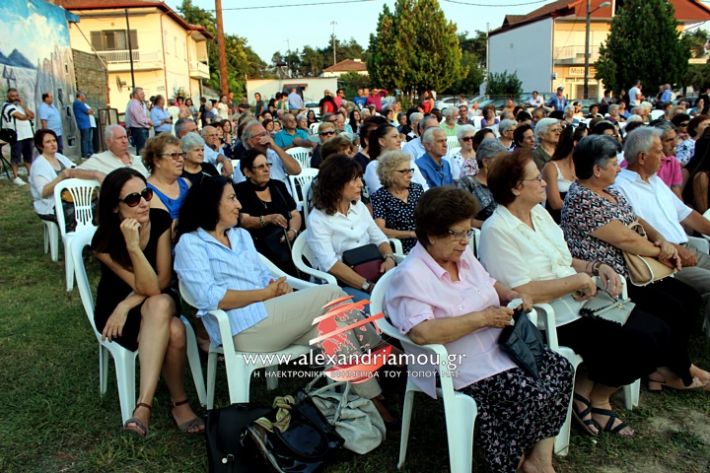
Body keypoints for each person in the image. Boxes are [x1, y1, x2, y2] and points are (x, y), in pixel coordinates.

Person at [478, 148, 689, 440]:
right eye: (537, 179)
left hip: (582, 302)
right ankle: (596, 399)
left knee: (660, 331)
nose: (544, 183)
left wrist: (595, 266)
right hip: (552, 320)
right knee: (642, 341)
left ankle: (589, 391)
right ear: (516, 188)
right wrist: (577, 280)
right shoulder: (497, 229)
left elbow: (562, 259)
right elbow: (520, 291)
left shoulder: (538, 214)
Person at [386, 186, 573, 472]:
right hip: (457, 364)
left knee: (560, 369)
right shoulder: (411, 276)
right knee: (530, 393)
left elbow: (488, 283)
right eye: (456, 234)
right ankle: (512, 456)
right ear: (432, 234)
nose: (465, 242)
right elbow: (422, 333)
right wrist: (482, 319)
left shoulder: (462, 257)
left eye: (467, 232)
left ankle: (538, 460)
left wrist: (509, 295)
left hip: (501, 347)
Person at [174, 175, 393, 419]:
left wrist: (275, 286)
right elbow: (207, 297)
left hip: (271, 316)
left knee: (335, 328)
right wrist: (265, 293)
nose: (239, 205)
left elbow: (260, 275)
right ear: (210, 204)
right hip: (240, 330)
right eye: (232, 198)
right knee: (329, 292)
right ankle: (382, 350)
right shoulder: (191, 244)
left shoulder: (240, 236)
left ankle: (374, 403)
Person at [561, 135, 709, 391]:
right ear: (597, 170)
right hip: (616, 278)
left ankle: (674, 366)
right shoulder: (582, 199)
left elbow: (635, 220)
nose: (619, 167)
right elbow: (625, 239)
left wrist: (662, 240)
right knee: (672, 306)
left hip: (637, 268)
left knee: (688, 298)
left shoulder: (611, 189)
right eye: (613, 163)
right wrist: (662, 251)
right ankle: (677, 371)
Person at [92, 168, 203, 437]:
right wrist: (132, 246)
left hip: (141, 303)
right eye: (132, 199)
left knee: (161, 303)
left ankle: (143, 406)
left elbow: (161, 282)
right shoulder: (103, 241)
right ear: (115, 208)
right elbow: (145, 286)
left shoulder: (160, 220)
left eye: (146, 193)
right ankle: (179, 403)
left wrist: (127, 305)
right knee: (174, 329)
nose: (143, 202)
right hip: (115, 312)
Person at [616, 126, 710, 334]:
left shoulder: (655, 181)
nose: (667, 155)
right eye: (658, 152)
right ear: (642, 157)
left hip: (687, 248)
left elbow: (687, 214)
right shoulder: (621, 187)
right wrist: (676, 250)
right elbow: (638, 233)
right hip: (666, 258)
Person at [307, 155, 396, 300]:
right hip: (340, 282)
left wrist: (389, 258)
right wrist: (368, 286)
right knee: (375, 306)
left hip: (371, 269)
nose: (361, 184)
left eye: (360, 178)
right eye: (355, 180)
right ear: (336, 185)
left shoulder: (359, 206)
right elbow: (332, 265)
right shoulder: (317, 220)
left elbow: (379, 239)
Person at [234, 149, 301, 273]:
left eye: (267, 165)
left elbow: (295, 214)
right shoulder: (241, 190)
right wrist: (268, 219)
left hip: (287, 240)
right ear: (247, 172)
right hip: (259, 246)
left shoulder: (278, 186)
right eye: (260, 167)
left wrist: (292, 231)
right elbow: (244, 220)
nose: (266, 169)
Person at [29, 129, 102, 223]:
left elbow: (75, 169)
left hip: (71, 198)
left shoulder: (60, 157)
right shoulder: (39, 165)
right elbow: (43, 192)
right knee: (85, 212)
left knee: (100, 204)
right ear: (40, 146)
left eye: (54, 140)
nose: (53, 144)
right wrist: (61, 177)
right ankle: (76, 235)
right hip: (52, 204)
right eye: (48, 142)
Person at [370, 151, 424, 253]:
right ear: (389, 173)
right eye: (404, 171)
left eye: (410, 170)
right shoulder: (380, 197)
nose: (410, 175)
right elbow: (380, 230)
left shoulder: (417, 189)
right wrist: (411, 234)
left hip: (426, 242)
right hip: (401, 248)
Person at [364, 124, 427, 194]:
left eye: (399, 137)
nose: (399, 140)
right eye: (394, 137)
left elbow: (424, 187)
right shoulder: (374, 166)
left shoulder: (409, 162)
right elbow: (381, 194)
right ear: (381, 141)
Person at [458, 138, 507, 227]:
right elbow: (463, 219)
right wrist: (492, 225)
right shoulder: (467, 183)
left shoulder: (504, 182)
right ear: (485, 162)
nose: (504, 164)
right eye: (500, 161)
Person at [142, 133, 191, 223]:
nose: (181, 159)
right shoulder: (148, 192)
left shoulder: (186, 183)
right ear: (157, 161)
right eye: (174, 155)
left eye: (181, 154)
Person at [79, 125, 149, 177]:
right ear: (109, 142)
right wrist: (96, 174)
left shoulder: (136, 159)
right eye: (119, 138)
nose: (124, 141)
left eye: (125, 137)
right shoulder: (99, 159)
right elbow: (71, 172)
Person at [542, 124, 578, 223]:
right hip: (556, 221)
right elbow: (555, 203)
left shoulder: (582, 166)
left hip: (577, 220)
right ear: (575, 143)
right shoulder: (551, 167)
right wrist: (583, 209)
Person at [1, 88, 35, 186]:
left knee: (28, 157)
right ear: (8, 96)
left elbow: (31, 115)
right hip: (17, 135)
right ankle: (16, 177)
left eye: (16, 95)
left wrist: (23, 105)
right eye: (12, 96)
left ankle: (30, 175)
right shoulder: (7, 106)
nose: (15, 98)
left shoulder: (19, 106)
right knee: (15, 157)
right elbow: (21, 117)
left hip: (27, 134)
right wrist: (28, 116)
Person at [126, 87, 151, 155]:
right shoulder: (135, 104)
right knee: (142, 150)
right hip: (139, 129)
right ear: (136, 95)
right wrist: (148, 122)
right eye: (141, 94)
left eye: (143, 93)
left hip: (140, 129)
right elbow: (139, 119)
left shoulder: (139, 103)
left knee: (143, 149)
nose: (144, 95)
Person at [73, 92, 94, 158]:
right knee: (85, 139)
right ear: (80, 96)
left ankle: (88, 152)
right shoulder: (78, 103)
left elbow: (90, 111)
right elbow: (89, 111)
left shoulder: (79, 103)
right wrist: (90, 110)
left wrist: (90, 110)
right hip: (83, 124)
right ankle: (86, 153)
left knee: (87, 139)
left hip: (86, 124)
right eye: (84, 95)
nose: (84, 97)